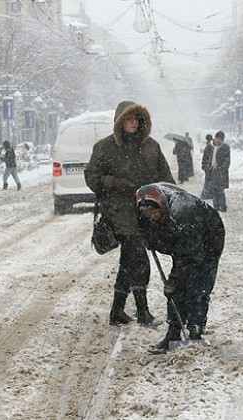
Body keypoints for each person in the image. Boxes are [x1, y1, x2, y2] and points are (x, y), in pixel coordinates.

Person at [84, 100, 175, 326]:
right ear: (119, 122)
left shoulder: (151, 146)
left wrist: (170, 200)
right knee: (139, 259)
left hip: (145, 212)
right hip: (119, 212)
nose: (133, 124)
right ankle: (142, 311)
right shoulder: (105, 147)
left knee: (128, 260)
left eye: (136, 119)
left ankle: (117, 311)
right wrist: (114, 182)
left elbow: (165, 177)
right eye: (128, 120)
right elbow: (92, 178)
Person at [135, 183, 225, 354]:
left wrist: (174, 281)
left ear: (162, 206)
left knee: (198, 287)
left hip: (209, 238)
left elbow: (188, 256)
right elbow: (142, 227)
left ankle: (195, 331)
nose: (151, 217)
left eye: (154, 212)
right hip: (184, 239)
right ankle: (174, 333)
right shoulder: (143, 205)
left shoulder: (185, 213)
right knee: (177, 290)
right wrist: (149, 237)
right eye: (147, 214)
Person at [201, 130, 231, 212]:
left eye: (221, 140)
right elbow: (205, 158)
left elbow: (227, 160)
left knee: (220, 190)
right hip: (210, 172)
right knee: (213, 189)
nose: (219, 141)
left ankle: (223, 205)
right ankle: (216, 206)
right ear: (215, 138)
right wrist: (205, 167)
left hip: (221, 173)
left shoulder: (225, 147)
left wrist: (221, 169)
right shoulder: (209, 147)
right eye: (218, 139)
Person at [200, 134, 214, 200]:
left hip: (209, 167)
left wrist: (204, 166)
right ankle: (210, 194)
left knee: (208, 181)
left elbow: (205, 157)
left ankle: (206, 194)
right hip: (212, 167)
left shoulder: (209, 146)